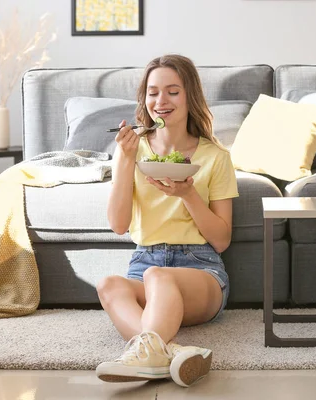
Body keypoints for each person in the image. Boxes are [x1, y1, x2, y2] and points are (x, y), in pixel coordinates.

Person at [95, 54, 239, 387]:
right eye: (153, 92)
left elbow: (221, 240)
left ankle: (146, 354)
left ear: (190, 96)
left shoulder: (215, 157)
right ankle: (171, 352)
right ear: (144, 100)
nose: (161, 101)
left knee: (158, 276)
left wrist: (188, 195)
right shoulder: (132, 150)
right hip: (143, 263)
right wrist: (126, 162)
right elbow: (118, 225)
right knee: (110, 285)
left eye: (173, 92)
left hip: (200, 270)